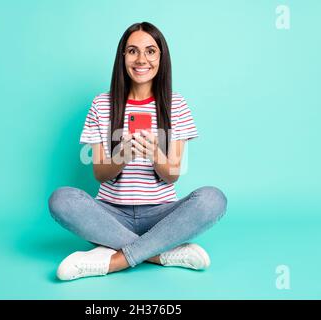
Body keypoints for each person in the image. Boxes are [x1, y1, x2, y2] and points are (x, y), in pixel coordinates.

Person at [48, 22, 227, 281]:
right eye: (133, 51)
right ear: (122, 57)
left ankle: (113, 259)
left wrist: (156, 154)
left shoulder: (176, 104)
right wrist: (122, 156)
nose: (141, 59)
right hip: (111, 215)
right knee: (61, 199)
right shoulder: (102, 104)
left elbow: (172, 176)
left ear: (161, 57)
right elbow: (99, 173)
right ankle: (160, 252)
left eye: (150, 51)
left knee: (214, 199)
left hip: (161, 215)